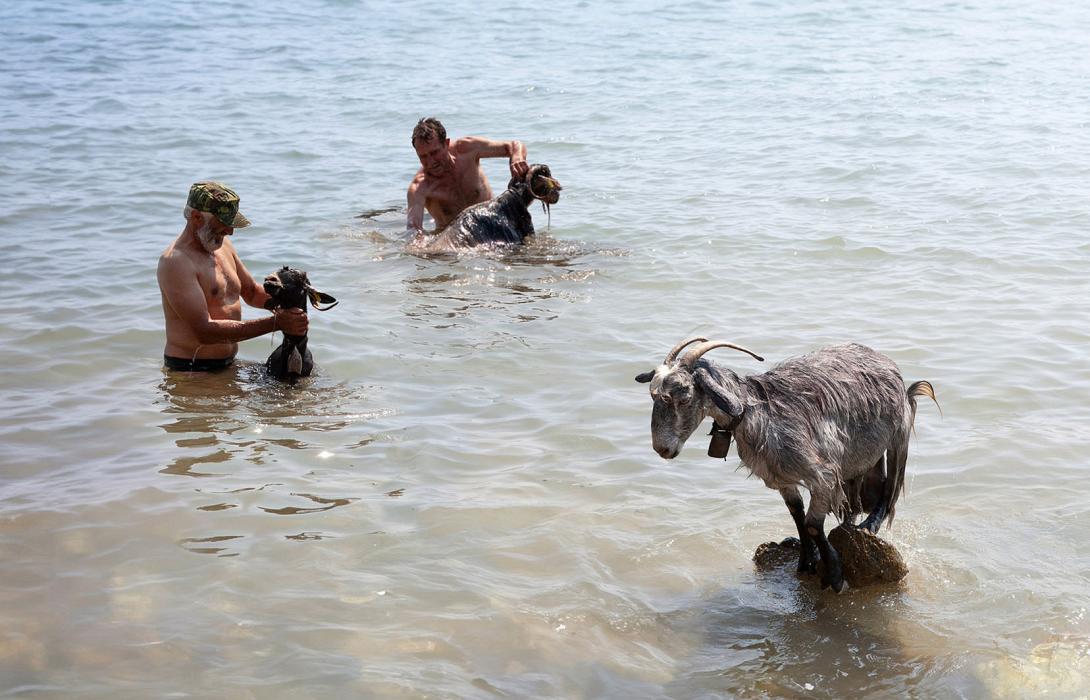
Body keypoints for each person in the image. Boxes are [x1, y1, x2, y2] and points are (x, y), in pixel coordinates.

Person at [157, 181, 307, 371]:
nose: (231, 231)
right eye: (224, 223)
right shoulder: (176, 262)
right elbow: (204, 332)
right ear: (196, 217)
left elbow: (252, 293)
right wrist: (277, 323)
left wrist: (291, 304)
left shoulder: (222, 245)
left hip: (229, 366)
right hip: (191, 370)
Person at [407, 117, 530, 235]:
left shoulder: (467, 150)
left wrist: (517, 158)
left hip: (494, 224)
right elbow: (413, 230)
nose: (431, 161)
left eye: (435, 153)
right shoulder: (419, 188)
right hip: (457, 243)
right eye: (423, 156)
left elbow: (514, 146)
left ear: (446, 143)